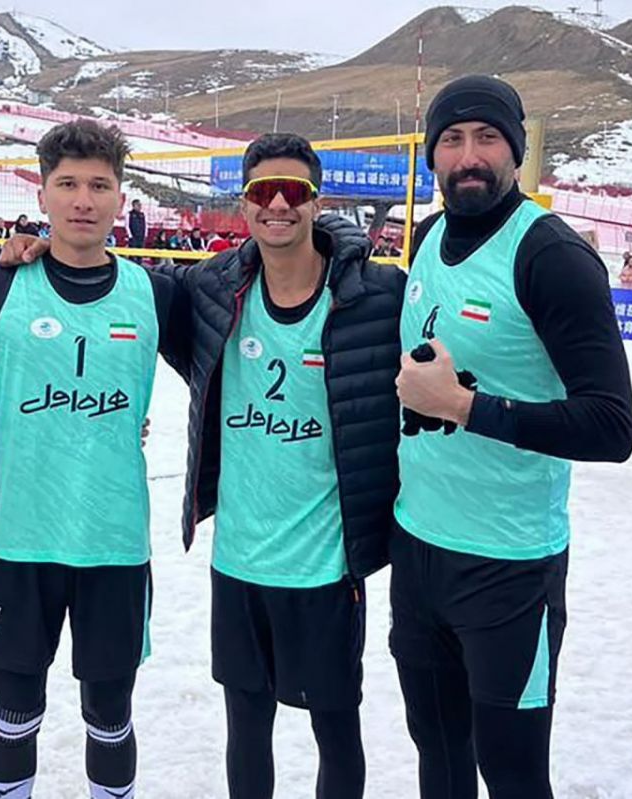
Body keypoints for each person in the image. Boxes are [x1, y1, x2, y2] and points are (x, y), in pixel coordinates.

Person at [130, 132, 404, 799]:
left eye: (294, 191)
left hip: (325, 567)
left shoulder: (377, 297)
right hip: (239, 561)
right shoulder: (213, 287)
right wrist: (35, 248)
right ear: (245, 202)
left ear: (317, 202)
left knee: (335, 729)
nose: (278, 204)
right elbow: (118, 283)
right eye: (263, 191)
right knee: (246, 727)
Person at [392, 75, 632, 799]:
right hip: (418, 548)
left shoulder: (550, 255)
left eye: (488, 138)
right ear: (433, 156)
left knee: (512, 772)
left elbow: (612, 425)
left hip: (508, 567)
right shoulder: (429, 237)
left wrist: (468, 407)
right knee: (438, 754)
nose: (469, 156)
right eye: (452, 139)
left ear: (516, 151)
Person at [0, 119, 177, 799]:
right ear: (42, 195)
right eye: (67, 184)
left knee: (110, 718)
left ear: (121, 198)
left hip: (113, 545)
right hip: (23, 541)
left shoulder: (155, 293)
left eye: (99, 185)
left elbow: (226, 367)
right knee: (13, 716)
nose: (83, 200)